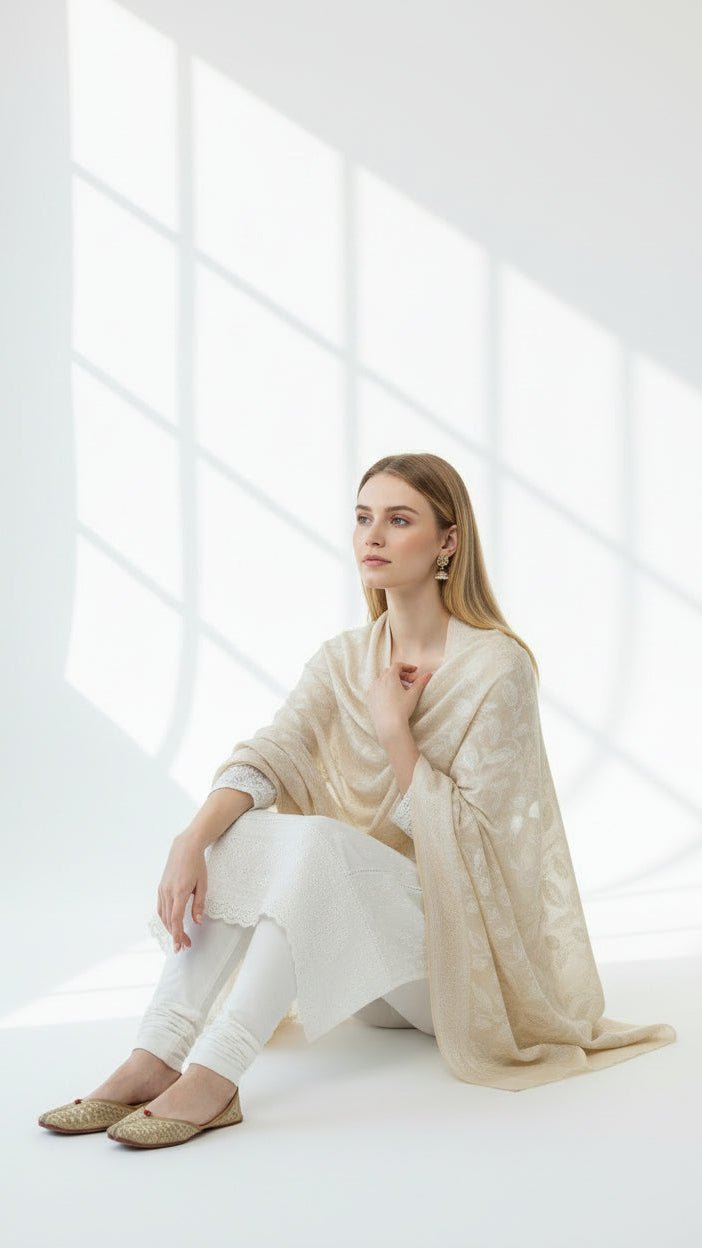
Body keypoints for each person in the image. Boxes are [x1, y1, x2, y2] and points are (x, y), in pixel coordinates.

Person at [38, 452, 675, 1148]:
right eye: (363, 517)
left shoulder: (496, 667)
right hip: (358, 967)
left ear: (447, 541)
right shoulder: (345, 659)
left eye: (399, 520)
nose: (372, 536)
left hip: (455, 975)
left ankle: (216, 1076)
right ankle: (155, 1056)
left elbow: (484, 847)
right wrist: (190, 840)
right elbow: (269, 754)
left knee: (317, 843)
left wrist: (394, 730)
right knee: (238, 829)